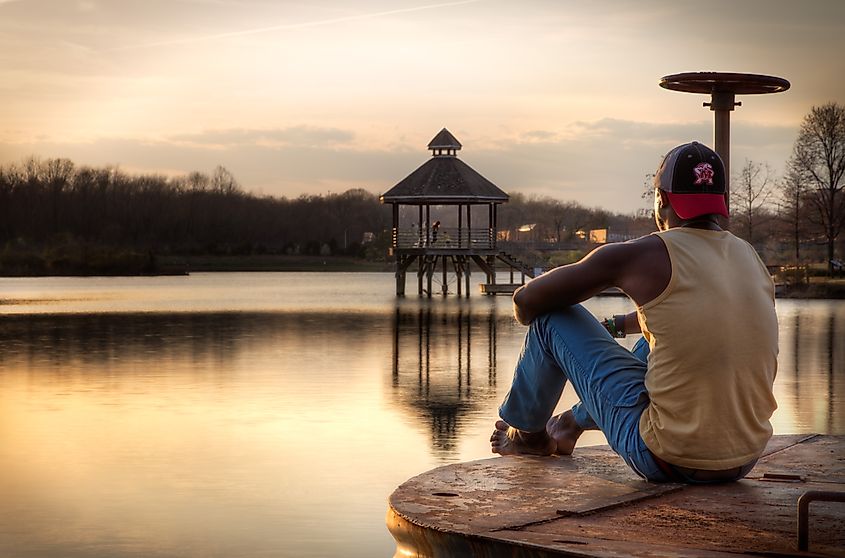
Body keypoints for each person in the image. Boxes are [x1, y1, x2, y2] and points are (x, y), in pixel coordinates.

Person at [490, 142, 778, 483]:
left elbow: (526, 303)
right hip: (743, 458)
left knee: (552, 319)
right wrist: (618, 325)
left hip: (666, 458)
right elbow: (687, 325)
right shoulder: (749, 256)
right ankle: (570, 424)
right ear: (721, 203)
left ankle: (528, 437)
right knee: (655, 342)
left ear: (662, 199)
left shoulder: (645, 253)